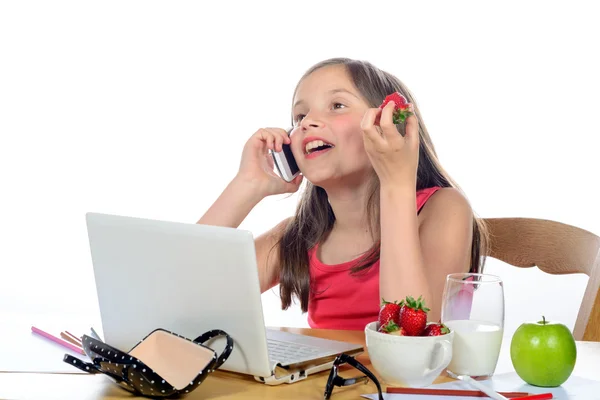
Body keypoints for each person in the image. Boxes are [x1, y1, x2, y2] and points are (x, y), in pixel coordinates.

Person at [198, 57, 488, 329]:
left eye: (336, 105)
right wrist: (246, 185)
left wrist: (397, 182)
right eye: (300, 115)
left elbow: (411, 344)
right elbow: (184, 295)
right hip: (328, 384)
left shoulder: (445, 208)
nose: (307, 122)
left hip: (408, 384)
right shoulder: (299, 236)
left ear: (387, 125)